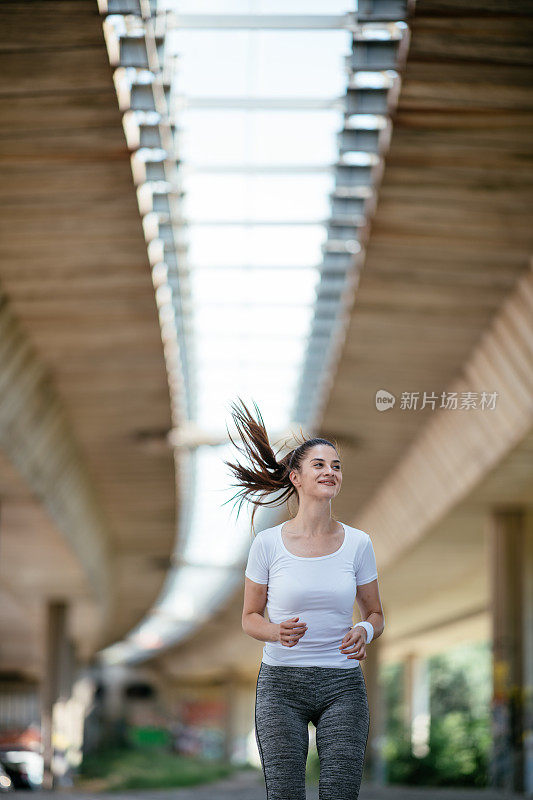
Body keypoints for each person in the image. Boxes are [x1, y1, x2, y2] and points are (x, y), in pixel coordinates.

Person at [223, 397, 385, 800]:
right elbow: (249, 617)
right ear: (295, 477)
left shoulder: (359, 544)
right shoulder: (267, 544)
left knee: (340, 794)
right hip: (281, 686)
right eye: (319, 464)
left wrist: (365, 629)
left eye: (336, 466)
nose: (330, 471)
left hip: (343, 684)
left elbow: (376, 613)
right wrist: (275, 631)